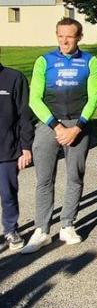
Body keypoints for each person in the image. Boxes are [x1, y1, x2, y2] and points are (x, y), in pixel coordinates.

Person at [22, 18, 97, 253]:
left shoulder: (90, 61)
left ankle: (67, 224)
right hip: (49, 125)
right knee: (44, 180)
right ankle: (42, 230)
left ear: (79, 37)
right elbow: (34, 99)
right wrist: (57, 127)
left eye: (70, 36)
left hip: (78, 124)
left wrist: (77, 128)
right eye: (60, 35)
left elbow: (94, 97)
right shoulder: (44, 61)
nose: (65, 40)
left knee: (74, 177)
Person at [0, 59, 33, 252]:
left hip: (7, 150)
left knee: (8, 194)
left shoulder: (14, 78)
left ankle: (11, 230)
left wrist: (26, 147)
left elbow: (24, 116)